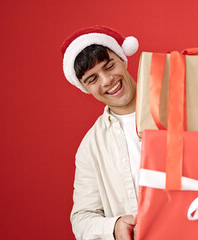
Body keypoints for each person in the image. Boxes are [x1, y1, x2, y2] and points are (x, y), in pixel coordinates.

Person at [61, 26, 140, 240]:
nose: (106, 81)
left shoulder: (179, 100)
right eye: (92, 79)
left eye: (110, 66)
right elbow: (82, 218)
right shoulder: (91, 147)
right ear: (85, 88)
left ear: (123, 60)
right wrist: (114, 227)